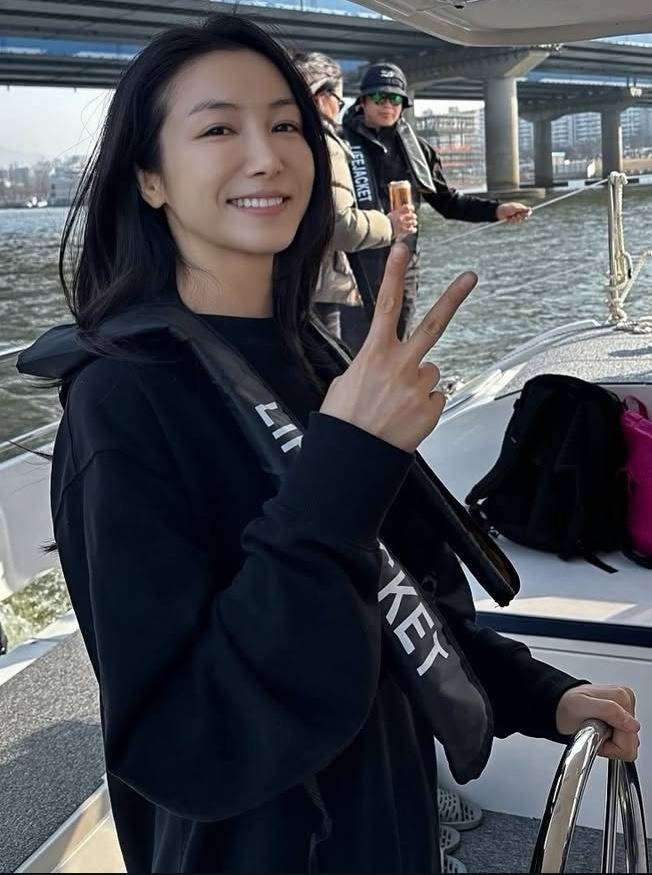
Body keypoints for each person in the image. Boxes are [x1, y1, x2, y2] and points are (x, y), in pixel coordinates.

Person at [17, 14, 640, 875]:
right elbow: (184, 738)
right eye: (218, 130)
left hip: (387, 821)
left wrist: (541, 694)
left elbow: (404, 596)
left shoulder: (315, 357)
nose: (267, 156)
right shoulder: (122, 400)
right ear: (149, 178)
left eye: (285, 125)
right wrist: (343, 463)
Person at [341, 62, 532, 347]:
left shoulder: (418, 150)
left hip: (403, 262)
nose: (387, 105)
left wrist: (496, 210)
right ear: (363, 101)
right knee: (352, 348)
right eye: (379, 97)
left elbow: (447, 202)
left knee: (397, 343)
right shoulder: (339, 143)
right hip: (352, 264)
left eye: (395, 98)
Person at [292, 51, 416, 339]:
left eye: (395, 99)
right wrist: (391, 225)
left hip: (281, 284)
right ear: (321, 96)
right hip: (319, 285)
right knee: (335, 361)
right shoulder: (324, 142)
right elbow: (340, 224)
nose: (338, 107)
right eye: (338, 99)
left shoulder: (277, 137)